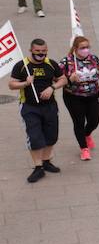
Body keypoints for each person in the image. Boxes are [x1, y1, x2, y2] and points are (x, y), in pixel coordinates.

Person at [8, 37, 67, 182]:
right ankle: (38, 167)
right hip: (29, 107)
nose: (41, 54)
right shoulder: (22, 65)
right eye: (38, 51)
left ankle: (46, 161)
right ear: (31, 50)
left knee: (51, 135)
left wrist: (52, 87)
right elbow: (11, 84)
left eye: (44, 51)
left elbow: (63, 79)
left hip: (50, 106)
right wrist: (25, 83)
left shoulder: (51, 64)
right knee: (34, 137)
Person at [57, 35, 99, 161]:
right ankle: (84, 148)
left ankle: (87, 134)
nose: (86, 50)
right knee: (79, 122)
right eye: (82, 47)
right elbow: (57, 79)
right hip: (73, 97)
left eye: (87, 47)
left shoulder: (94, 59)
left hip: (93, 95)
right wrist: (69, 79)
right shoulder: (66, 61)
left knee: (94, 120)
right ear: (75, 48)